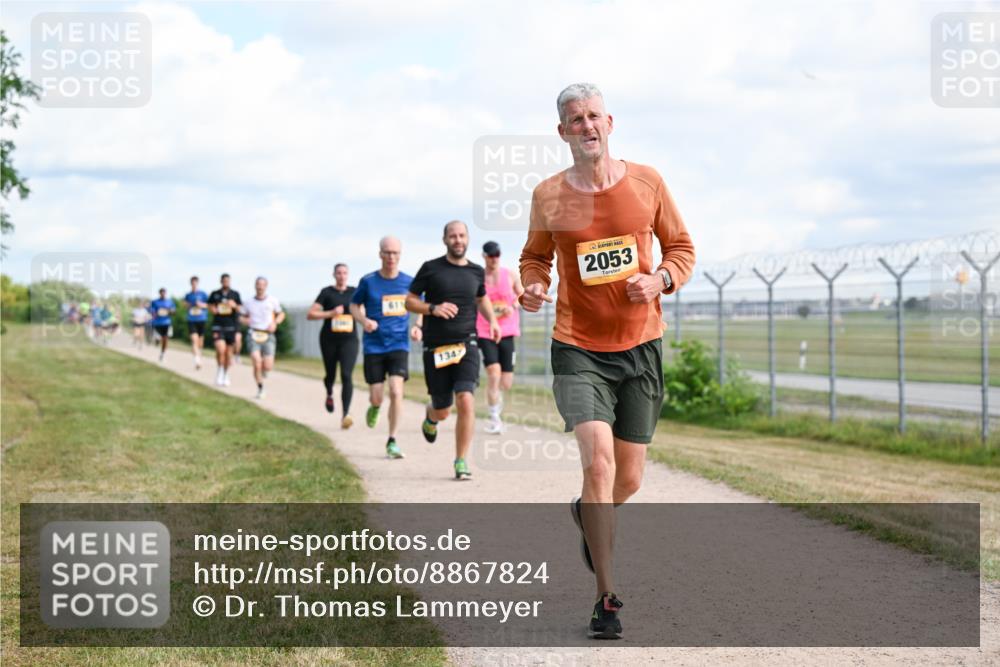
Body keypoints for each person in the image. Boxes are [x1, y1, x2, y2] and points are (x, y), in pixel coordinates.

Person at [519, 83, 695, 639]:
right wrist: (532, 285)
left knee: (629, 479)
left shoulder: (647, 182)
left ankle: (587, 514)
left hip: (640, 346)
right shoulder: (549, 195)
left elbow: (682, 249)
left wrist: (660, 279)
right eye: (575, 119)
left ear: (610, 122)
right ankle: (606, 598)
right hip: (577, 347)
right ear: (562, 131)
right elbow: (535, 258)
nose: (586, 125)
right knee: (599, 464)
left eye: (593, 115)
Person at [406, 221, 501, 480]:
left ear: (467, 239)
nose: (458, 240)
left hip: (466, 343)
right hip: (436, 347)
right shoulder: (430, 268)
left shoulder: (476, 271)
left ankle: (461, 460)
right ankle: (431, 417)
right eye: (453, 236)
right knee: (443, 409)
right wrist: (432, 309)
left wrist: (492, 321)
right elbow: (409, 301)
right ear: (445, 239)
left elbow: (481, 298)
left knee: (466, 399)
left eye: (462, 235)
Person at [350, 238, 421, 459]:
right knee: (377, 397)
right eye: (387, 252)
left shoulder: (409, 282)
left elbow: (422, 306)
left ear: (400, 255)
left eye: (395, 253)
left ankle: (392, 440)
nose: (391, 257)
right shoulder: (368, 281)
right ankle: (374, 407)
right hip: (374, 346)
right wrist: (364, 321)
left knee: (397, 392)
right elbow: (353, 305)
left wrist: (418, 326)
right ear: (380, 254)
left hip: (399, 344)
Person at [476, 241, 524, 434]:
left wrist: (512, 307)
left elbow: (521, 295)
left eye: (497, 255)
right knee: (493, 374)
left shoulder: (510, 274)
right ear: (484, 256)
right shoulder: (478, 277)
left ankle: (496, 398)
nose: (494, 259)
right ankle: (495, 417)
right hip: (485, 330)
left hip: (507, 331)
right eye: (490, 255)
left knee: (506, 382)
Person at [308, 264, 360, 429]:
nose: (342, 276)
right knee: (330, 374)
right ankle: (329, 392)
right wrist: (331, 313)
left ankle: (345, 414)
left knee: (346, 375)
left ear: (348, 275)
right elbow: (311, 314)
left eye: (344, 273)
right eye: (339, 273)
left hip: (349, 340)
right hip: (329, 340)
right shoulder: (327, 292)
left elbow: (363, 311)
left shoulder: (355, 292)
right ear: (334, 275)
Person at [241, 276, 284, 399]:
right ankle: (260, 388)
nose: (260, 287)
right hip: (253, 333)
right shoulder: (248, 302)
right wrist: (244, 320)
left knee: (268, 366)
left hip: (268, 334)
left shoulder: (272, 300)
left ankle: (264, 370)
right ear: (255, 286)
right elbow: (241, 316)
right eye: (258, 284)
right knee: (256, 361)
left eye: (262, 285)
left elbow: (281, 314)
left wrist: (275, 323)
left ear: (266, 286)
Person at [207, 273, 243, 386]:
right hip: (218, 325)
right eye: (224, 281)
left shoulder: (235, 294)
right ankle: (219, 370)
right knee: (220, 349)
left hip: (231, 326)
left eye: (228, 281)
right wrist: (213, 309)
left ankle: (226, 374)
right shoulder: (215, 293)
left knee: (228, 353)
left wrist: (234, 305)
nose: (226, 282)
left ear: (230, 281)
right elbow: (209, 305)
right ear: (221, 281)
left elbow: (240, 309)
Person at [184, 276, 209, 369]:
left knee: (200, 342)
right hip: (191, 320)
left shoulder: (203, 294)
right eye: (192, 283)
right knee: (194, 340)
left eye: (195, 283)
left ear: (197, 283)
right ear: (190, 284)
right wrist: (189, 305)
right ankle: (197, 360)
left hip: (201, 319)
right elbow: (185, 305)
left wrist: (201, 305)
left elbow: (209, 305)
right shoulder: (188, 295)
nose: (194, 284)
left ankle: (199, 356)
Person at [149, 289, 175, 361]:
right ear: (159, 293)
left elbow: (174, 312)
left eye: (164, 293)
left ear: (166, 293)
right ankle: (157, 340)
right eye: (161, 293)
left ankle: (162, 354)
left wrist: (170, 311)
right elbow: (151, 311)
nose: (163, 294)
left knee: (165, 339)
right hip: (157, 323)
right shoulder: (155, 302)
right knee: (158, 338)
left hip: (167, 323)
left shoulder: (170, 302)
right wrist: (155, 313)